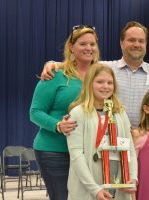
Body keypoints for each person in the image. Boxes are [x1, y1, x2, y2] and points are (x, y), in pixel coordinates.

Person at [40, 21, 149, 132]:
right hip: (111, 144)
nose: (136, 44)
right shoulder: (105, 69)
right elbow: (77, 63)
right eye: (131, 40)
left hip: (147, 143)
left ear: (146, 44)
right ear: (121, 43)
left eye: (141, 41)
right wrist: (53, 64)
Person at [29, 25, 100, 200]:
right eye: (83, 44)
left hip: (86, 151)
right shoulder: (55, 75)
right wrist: (57, 125)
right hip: (54, 151)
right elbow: (35, 112)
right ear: (71, 47)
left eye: (92, 44)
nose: (89, 48)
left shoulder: (100, 75)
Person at [66, 63, 138, 200]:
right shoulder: (78, 113)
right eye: (100, 82)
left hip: (117, 183)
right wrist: (95, 189)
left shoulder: (120, 112)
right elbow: (76, 155)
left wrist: (133, 177)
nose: (105, 86)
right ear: (89, 84)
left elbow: (130, 150)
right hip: (89, 186)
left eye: (110, 82)